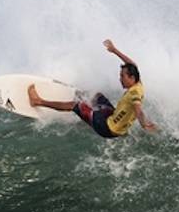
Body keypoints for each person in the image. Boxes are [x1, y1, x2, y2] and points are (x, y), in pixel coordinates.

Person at [28, 39, 159, 138]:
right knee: (98, 96)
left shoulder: (134, 93)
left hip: (107, 128)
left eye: (122, 76)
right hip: (114, 119)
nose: (120, 79)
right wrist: (114, 50)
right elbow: (132, 64)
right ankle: (86, 113)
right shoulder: (138, 83)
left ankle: (38, 101)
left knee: (76, 105)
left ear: (131, 78)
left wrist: (144, 123)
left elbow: (138, 109)